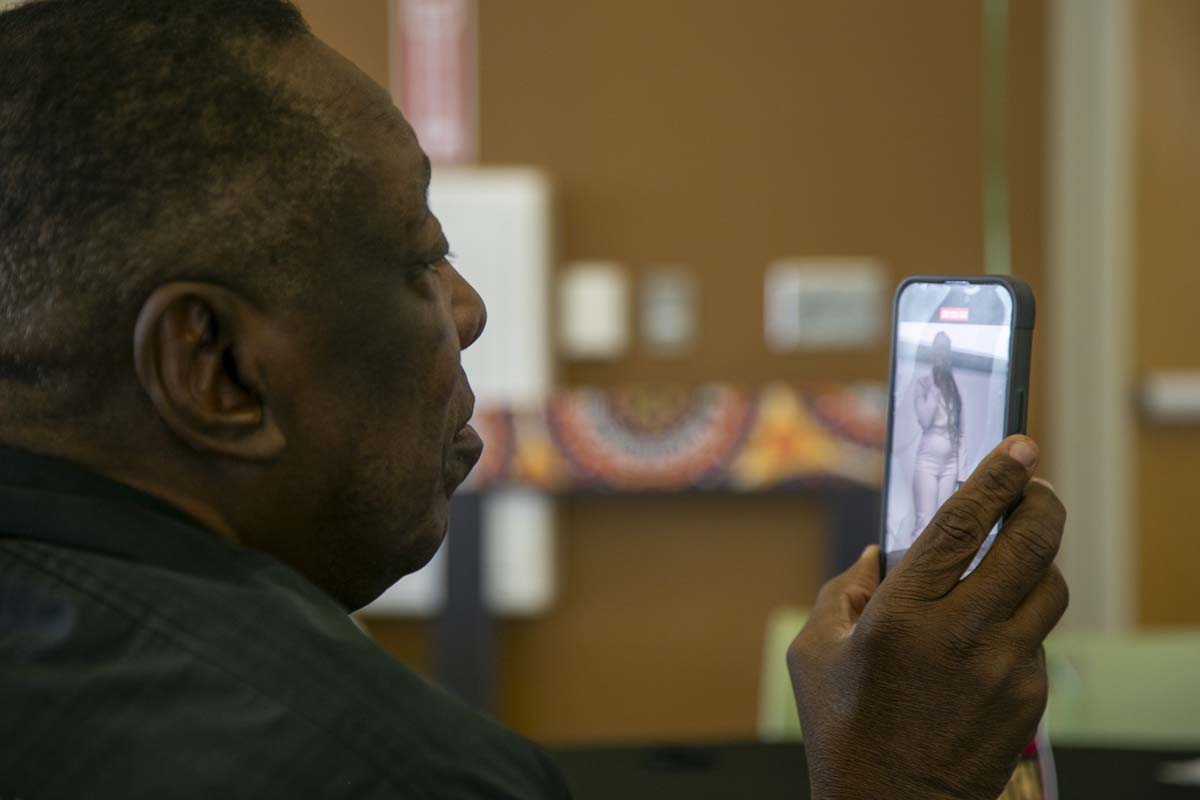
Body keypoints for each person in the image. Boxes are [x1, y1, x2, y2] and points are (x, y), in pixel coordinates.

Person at [0, 2, 1068, 799]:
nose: (466, 309)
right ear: (214, 366)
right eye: (422, 255)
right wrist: (897, 785)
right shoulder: (383, 771)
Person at [911, 331, 967, 541]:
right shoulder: (924, 384)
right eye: (938, 349)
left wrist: (961, 474)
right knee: (924, 522)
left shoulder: (955, 389)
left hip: (950, 463)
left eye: (946, 349)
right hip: (927, 460)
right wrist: (933, 391)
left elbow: (961, 434)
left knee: (943, 523)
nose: (942, 354)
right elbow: (925, 420)